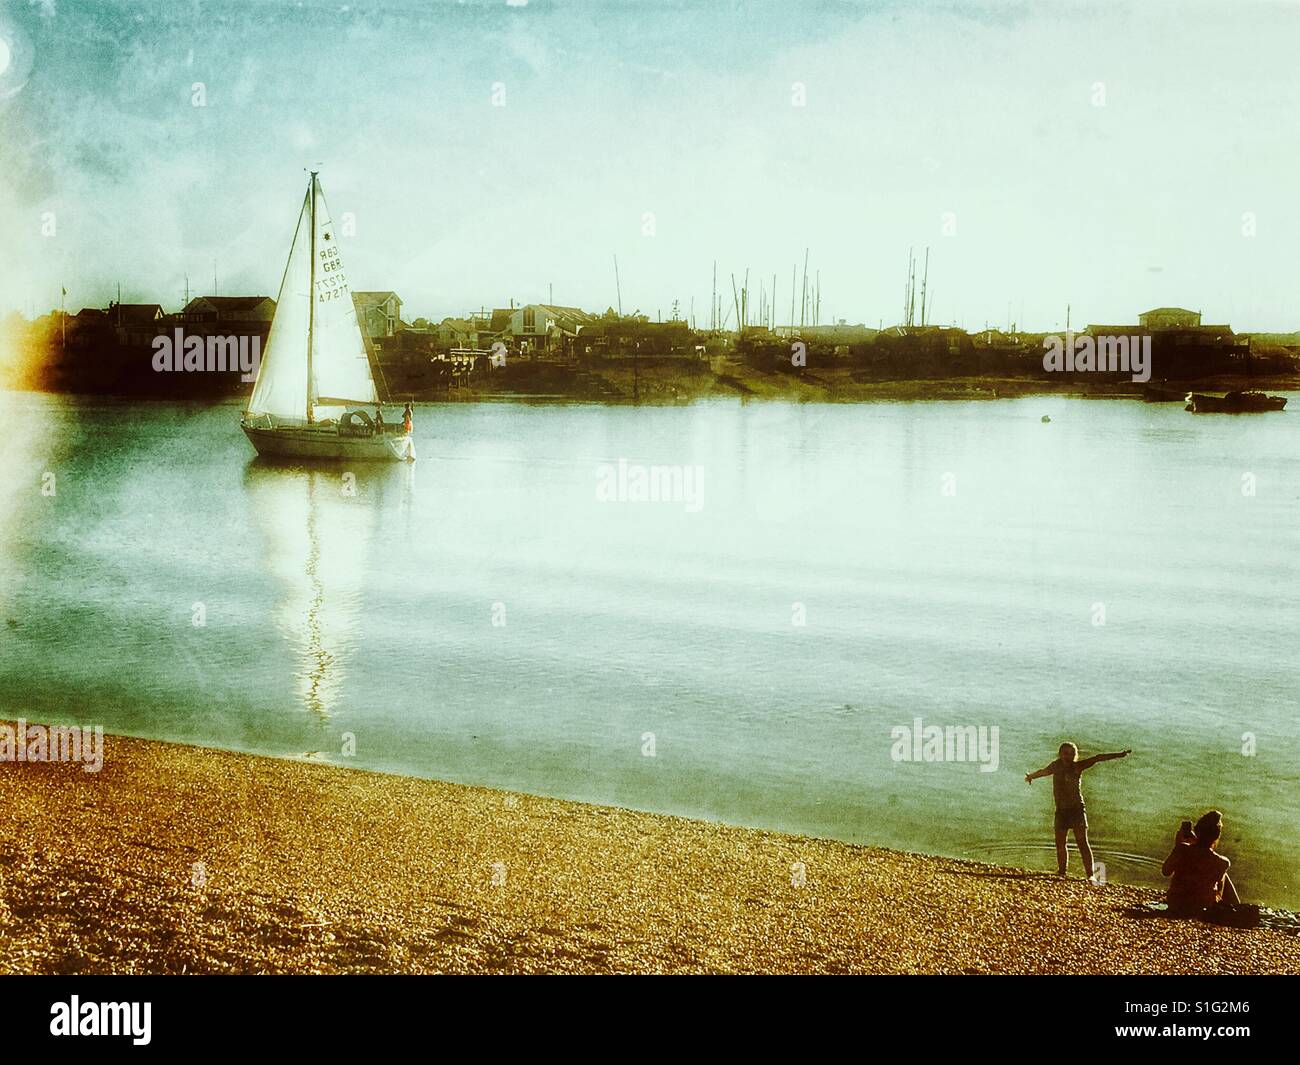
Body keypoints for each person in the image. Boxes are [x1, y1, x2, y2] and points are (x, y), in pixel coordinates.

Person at [1026, 742, 1131, 879]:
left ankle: (1090, 875)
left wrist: (1118, 755)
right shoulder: (1055, 766)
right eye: (1065, 753)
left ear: (1075, 756)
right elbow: (1043, 772)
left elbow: (1097, 758)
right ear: (1060, 754)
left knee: (1082, 843)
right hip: (1061, 811)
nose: (1068, 756)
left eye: (1072, 754)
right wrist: (1031, 776)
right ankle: (1062, 871)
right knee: (1060, 843)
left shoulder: (1077, 766)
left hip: (1076, 810)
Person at [1162, 810, 1239, 917]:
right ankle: (1236, 906)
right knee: (1222, 873)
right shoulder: (1222, 862)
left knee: (1219, 872)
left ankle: (1236, 906)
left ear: (1197, 831)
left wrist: (1178, 845)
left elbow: (1165, 871)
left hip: (1176, 903)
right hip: (1203, 907)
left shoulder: (1182, 850)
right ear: (1216, 837)